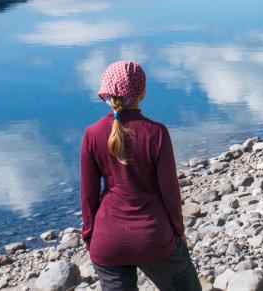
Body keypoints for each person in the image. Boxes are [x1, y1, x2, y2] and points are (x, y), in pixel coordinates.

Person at [81, 60, 201, 291]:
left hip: (107, 239)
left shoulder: (92, 134)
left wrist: (90, 238)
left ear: (105, 92)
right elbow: (170, 193)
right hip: (153, 235)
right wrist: (179, 233)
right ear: (142, 92)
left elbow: (88, 197)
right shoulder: (156, 133)